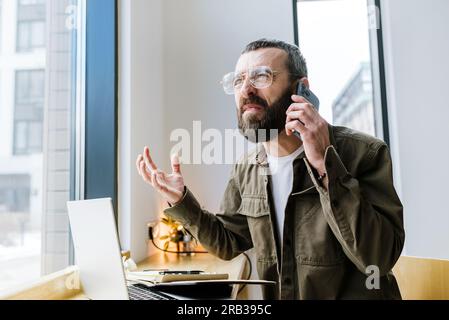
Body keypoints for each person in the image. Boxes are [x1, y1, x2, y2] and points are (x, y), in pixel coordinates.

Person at [135, 39, 405, 299]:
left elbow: (378, 260)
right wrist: (180, 200)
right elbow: (229, 242)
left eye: (262, 76)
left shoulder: (364, 153)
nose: (246, 89)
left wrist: (325, 164)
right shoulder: (246, 168)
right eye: (238, 80)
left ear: (301, 89)